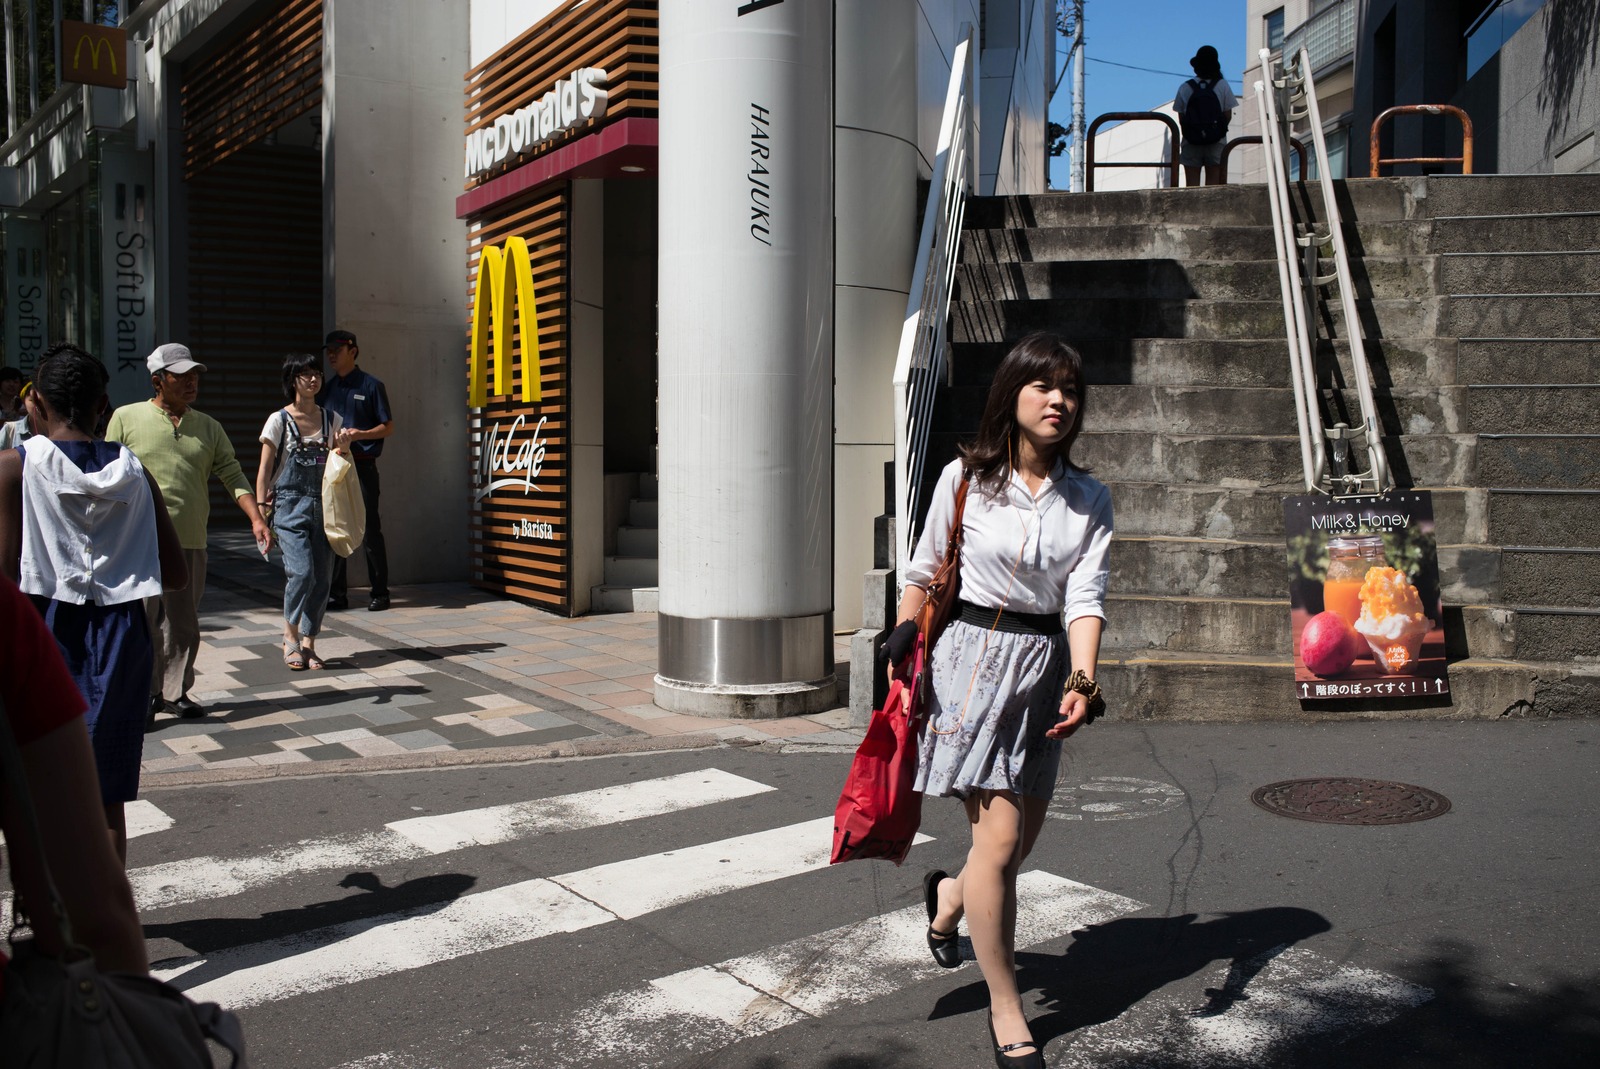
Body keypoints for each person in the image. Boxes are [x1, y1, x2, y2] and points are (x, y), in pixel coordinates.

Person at [885, 332, 1113, 1068]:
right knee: (1004, 843)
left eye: (1070, 390)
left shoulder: (1089, 499)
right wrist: (899, 628)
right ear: (1012, 394)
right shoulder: (965, 478)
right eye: (1044, 386)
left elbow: (1084, 596)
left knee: (1002, 854)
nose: (1058, 401)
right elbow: (923, 570)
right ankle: (1007, 1004)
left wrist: (1082, 678)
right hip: (973, 662)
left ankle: (950, 898)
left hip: (1043, 669)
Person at [0, 344, 186, 863]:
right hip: (123, 634)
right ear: (103, 405)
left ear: (34, 404)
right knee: (105, 794)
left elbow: (3, 576)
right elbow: (173, 573)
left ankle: (59, 915)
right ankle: (110, 920)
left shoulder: (14, 467)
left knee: (36, 786)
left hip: (44, 632)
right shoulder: (135, 472)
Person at [106, 342, 272, 721]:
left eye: (194, 375)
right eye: (180, 376)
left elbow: (231, 473)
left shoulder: (208, 427)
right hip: (137, 541)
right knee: (143, 622)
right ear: (157, 381)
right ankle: (144, 695)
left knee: (183, 624)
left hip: (190, 542)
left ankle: (174, 692)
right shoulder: (126, 418)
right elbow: (109, 476)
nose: (191, 382)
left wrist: (256, 518)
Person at [0, 576, 149, 985]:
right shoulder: (9, 621)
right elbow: (96, 913)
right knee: (102, 802)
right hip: (112, 617)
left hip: (57, 608)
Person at [257, 353, 350, 672]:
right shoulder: (278, 420)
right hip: (289, 505)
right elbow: (265, 467)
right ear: (292, 380)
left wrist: (345, 447)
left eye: (317, 374)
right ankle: (289, 635)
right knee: (302, 572)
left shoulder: (331, 419)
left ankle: (309, 643)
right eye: (305, 374)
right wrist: (260, 512)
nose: (313, 379)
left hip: (325, 506)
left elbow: (340, 466)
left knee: (323, 577)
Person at [317, 329, 393, 611]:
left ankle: (380, 592)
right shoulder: (328, 388)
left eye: (337, 349)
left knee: (370, 527)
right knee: (337, 526)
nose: (332, 355)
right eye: (329, 351)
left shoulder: (372, 385)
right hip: (336, 465)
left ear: (353, 350)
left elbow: (388, 426)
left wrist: (359, 434)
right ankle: (338, 594)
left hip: (362, 465)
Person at [1175, 45, 1238, 188]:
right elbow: (1227, 115)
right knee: (1213, 187)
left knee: (1191, 186)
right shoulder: (1222, 85)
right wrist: (1214, 130)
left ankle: (1191, 209)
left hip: (1191, 142)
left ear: (1196, 66)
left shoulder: (1185, 87)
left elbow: (1181, 118)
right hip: (1216, 142)